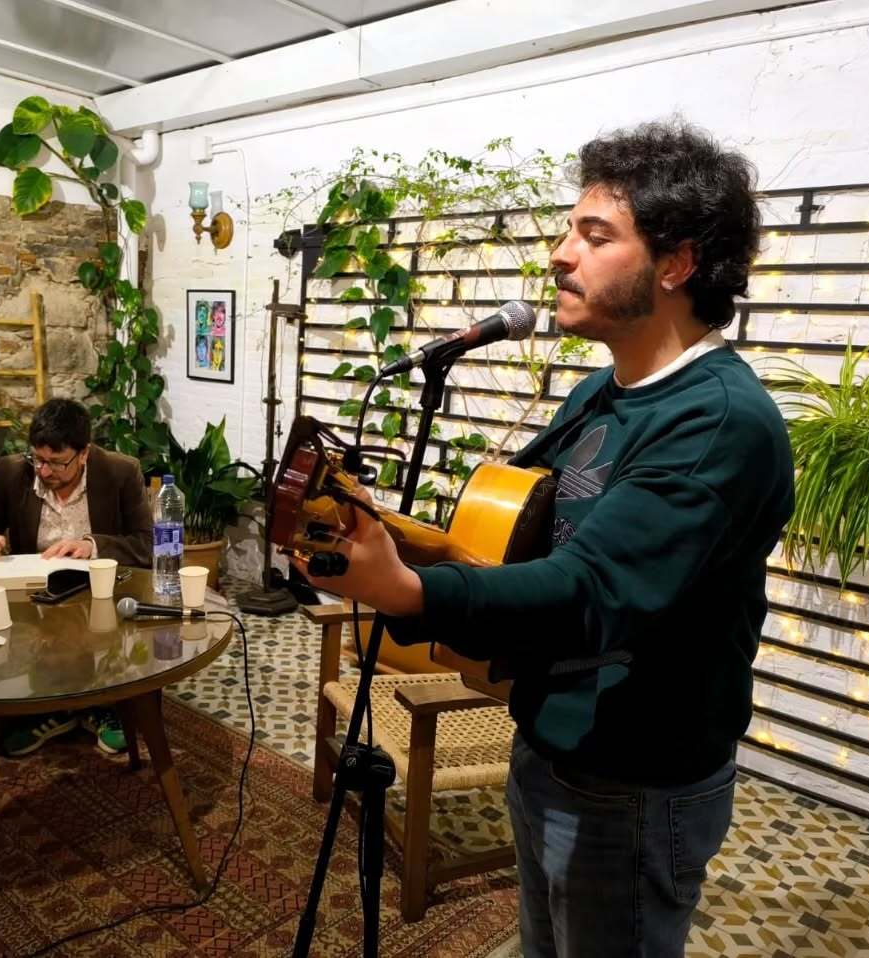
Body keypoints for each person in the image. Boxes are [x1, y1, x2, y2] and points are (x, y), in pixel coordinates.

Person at [294, 120, 795, 957]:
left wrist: (408, 593)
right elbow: (521, 546)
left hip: (633, 781)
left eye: (593, 235)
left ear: (674, 264)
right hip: (551, 745)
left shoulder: (719, 423)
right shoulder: (602, 393)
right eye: (568, 230)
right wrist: (385, 537)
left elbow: (592, 591)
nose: (559, 254)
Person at [0, 398, 153, 756]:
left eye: (57, 463)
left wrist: (92, 545)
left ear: (84, 453)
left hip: (100, 595)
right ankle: (49, 707)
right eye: (38, 459)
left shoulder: (120, 472)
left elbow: (146, 546)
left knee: (100, 636)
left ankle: (102, 705)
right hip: (36, 601)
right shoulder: (13, 473)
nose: (44, 471)